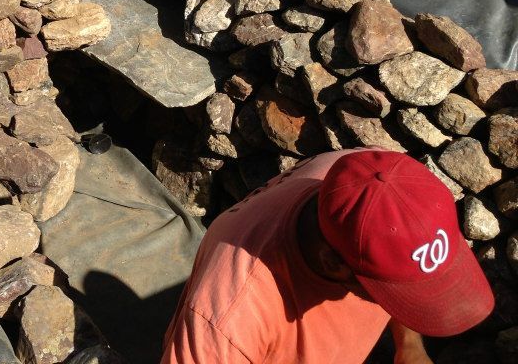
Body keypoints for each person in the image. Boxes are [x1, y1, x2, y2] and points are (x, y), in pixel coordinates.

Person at [161, 148, 495, 364]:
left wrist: (410, 346)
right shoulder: (225, 323)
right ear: (332, 262)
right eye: (395, 293)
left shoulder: (364, 176)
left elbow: (404, 262)